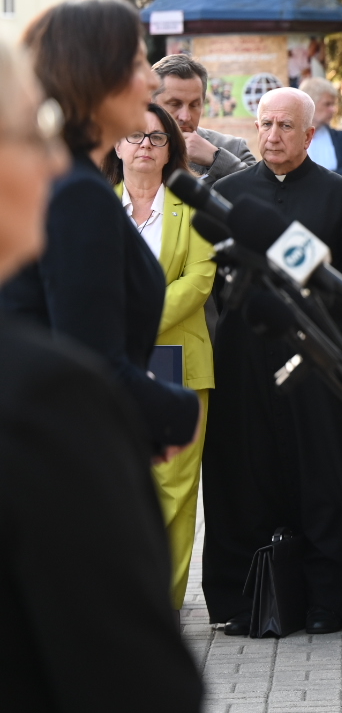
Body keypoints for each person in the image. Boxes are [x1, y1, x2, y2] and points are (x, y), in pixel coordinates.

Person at [0, 39, 204, 713]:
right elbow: (138, 680)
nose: (151, 79)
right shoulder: (42, 393)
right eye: (33, 136)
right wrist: (165, 413)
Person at [1, 0, 200, 458]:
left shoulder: (73, 181)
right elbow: (89, 365)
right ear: (94, 74)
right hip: (63, 462)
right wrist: (176, 412)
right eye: (137, 62)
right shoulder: (77, 193)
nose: (152, 79)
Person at [203, 87, 342, 636]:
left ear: (309, 134)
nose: (272, 136)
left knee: (323, 476)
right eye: (265, 124)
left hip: (318, 359)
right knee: (245, 475)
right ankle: (247, 599)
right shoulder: (227, 194)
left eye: (285, 126)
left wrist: (327, 333)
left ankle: (328, 599)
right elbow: (215, 281)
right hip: (244, 361)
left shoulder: (341, 196)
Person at [108, 103, 217, 607]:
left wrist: (136, 322)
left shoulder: (192, 204)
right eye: (135, 136)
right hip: (110, 363)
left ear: (171, 147)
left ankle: (163, 606)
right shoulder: (95, 207)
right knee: (116, 482)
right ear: (116, 144)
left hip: (178, 360)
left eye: (156, 137)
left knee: (174, 488)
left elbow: (198, 280)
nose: (145, 146)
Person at [153, 53, 258, 185]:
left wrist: (216, 159)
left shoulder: (232, 148)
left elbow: (263, 192)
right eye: (174, 104)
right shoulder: (130, 147)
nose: (185, 116)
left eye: (194, 105)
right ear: (150, 103)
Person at [301, 76, 342, 185]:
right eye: (327, 104)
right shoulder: (291, 138)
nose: (333, 109)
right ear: (310, 104)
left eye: (333, 104)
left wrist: (317, 179)